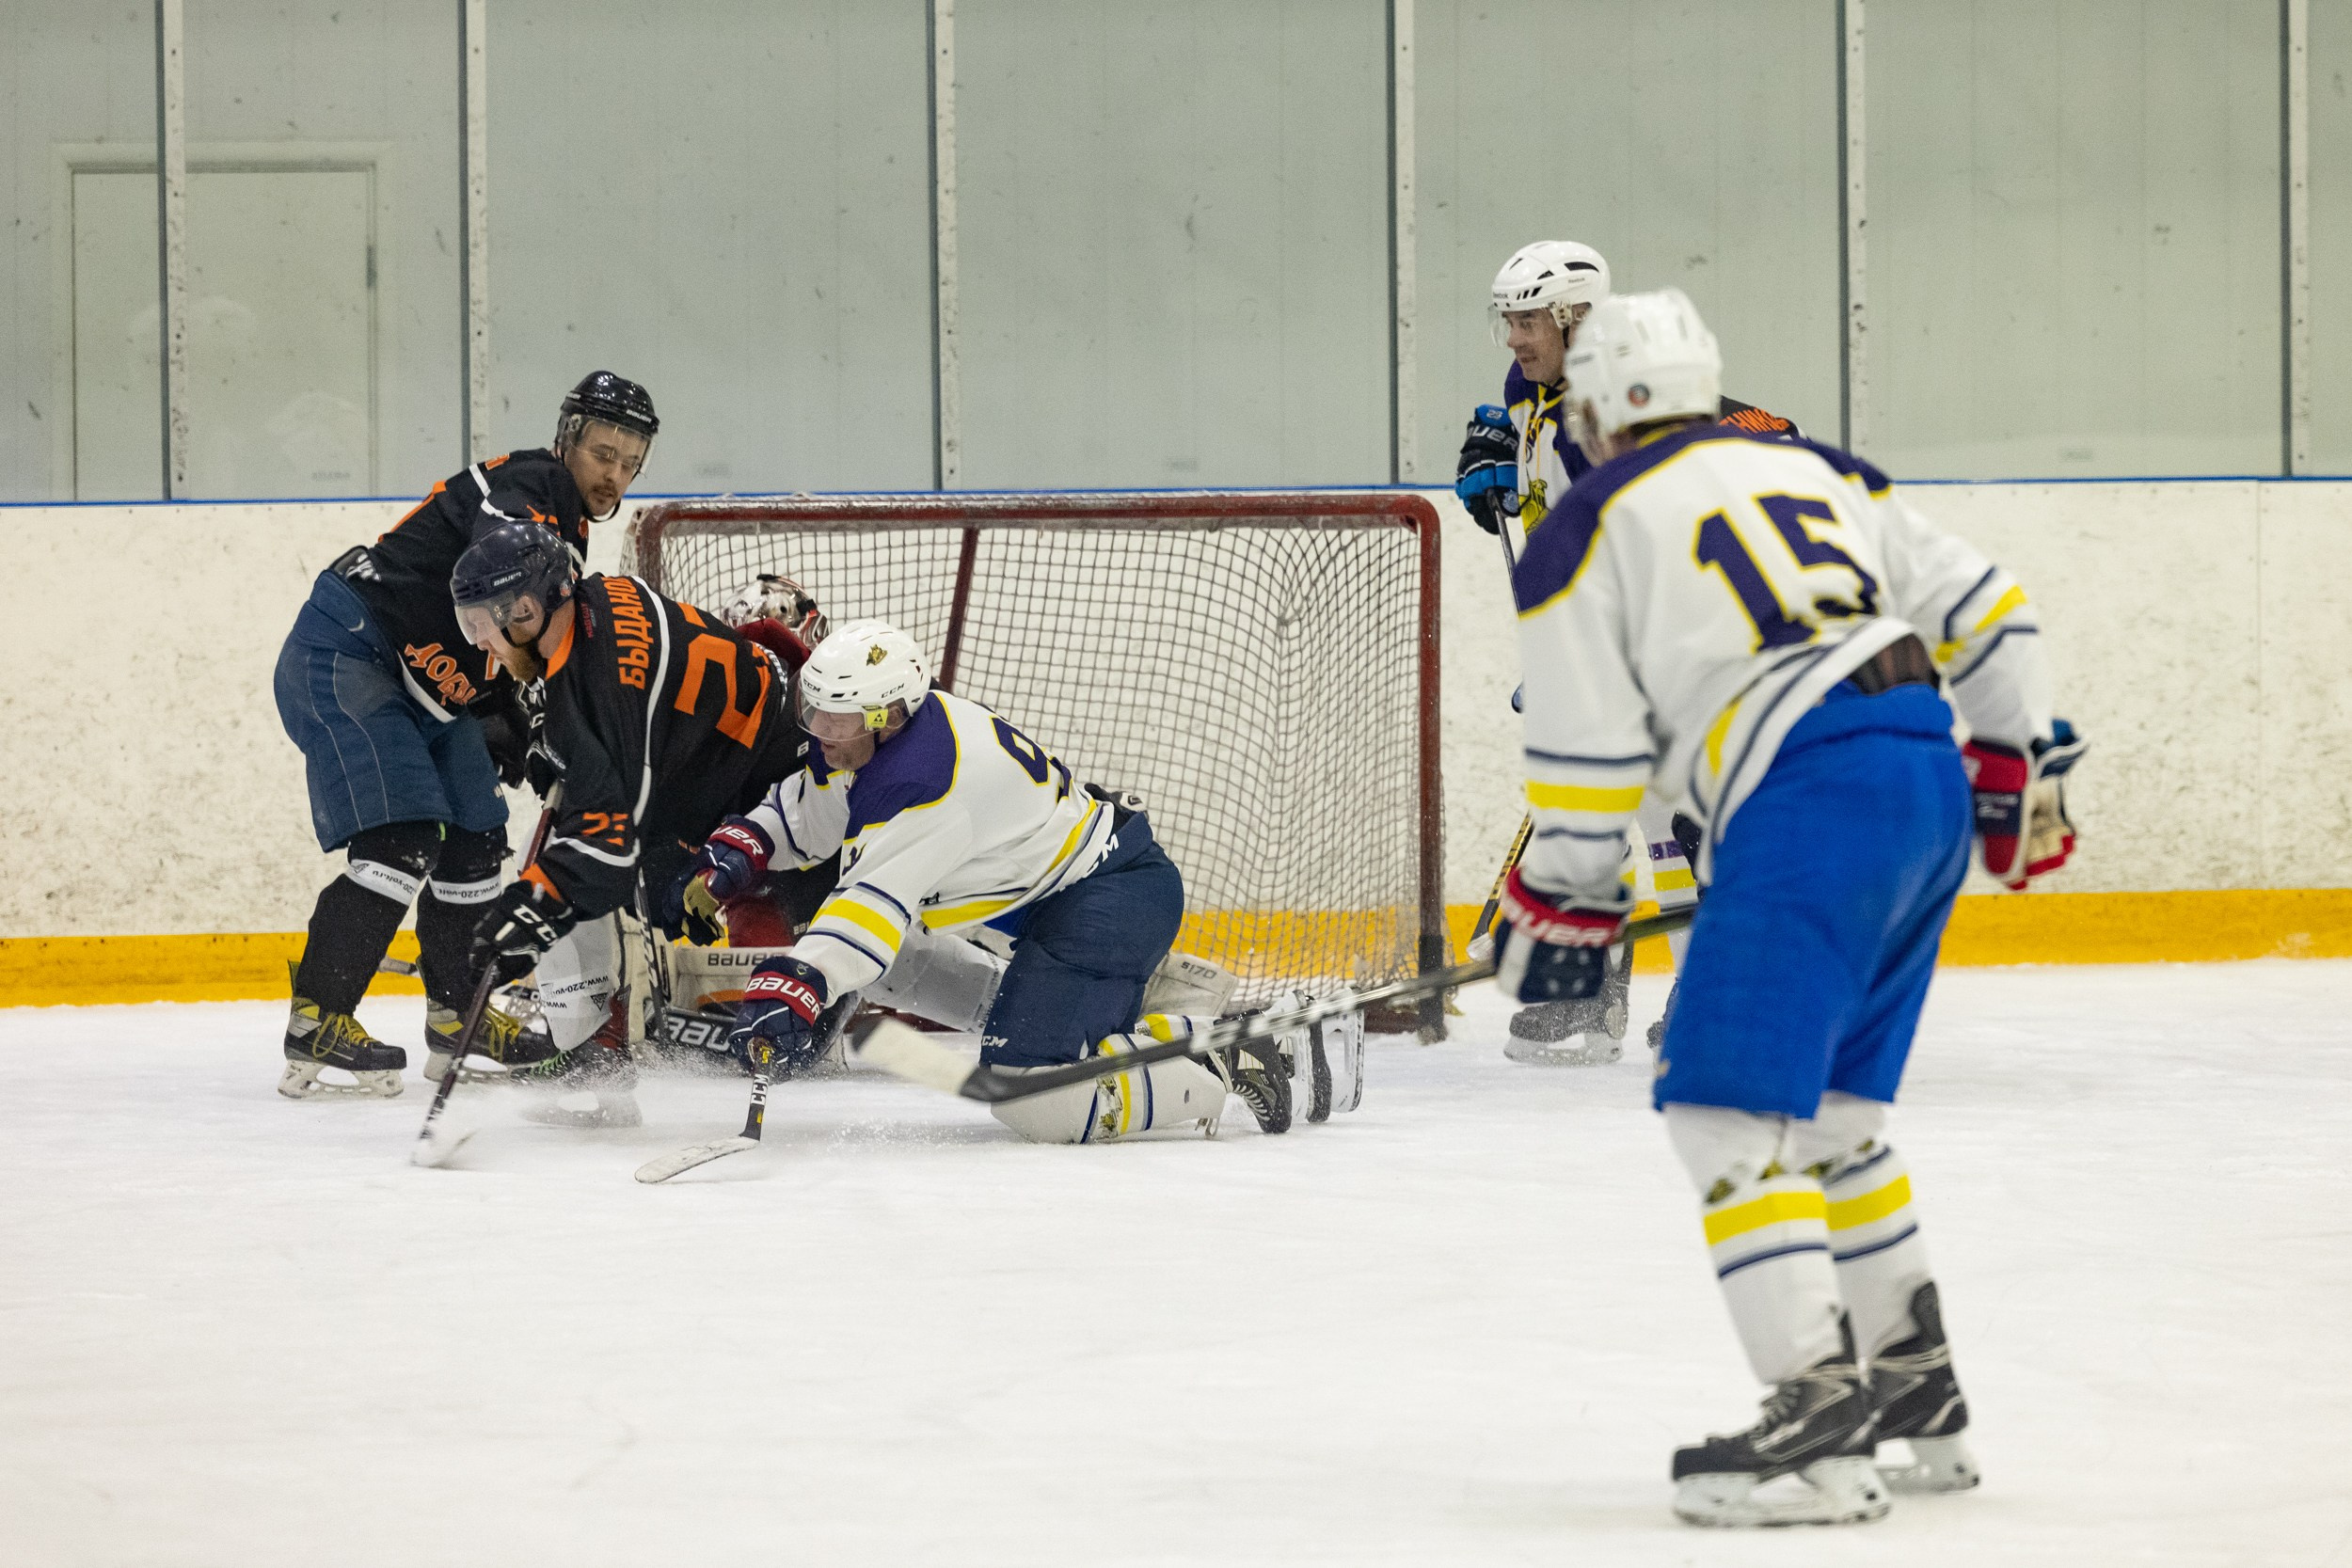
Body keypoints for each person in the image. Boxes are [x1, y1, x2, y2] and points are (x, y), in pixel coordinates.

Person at [1491, 289, 2082, 1527]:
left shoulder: (1586, 520)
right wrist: (2014, 764)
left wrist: (1561, 904)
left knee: (1719, 1110)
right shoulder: (1816, 470)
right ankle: (1916, 1394)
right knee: (1841, 1120)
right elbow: (1990, 609)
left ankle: (1817, 1429)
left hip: (1805, 791)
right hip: (1919, 767)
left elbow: (1588, 768)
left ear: (1596, 406)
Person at [704, 620, 1292, 1143]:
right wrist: (752, 843)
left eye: (839, 718)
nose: (820, 730)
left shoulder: (924, 784)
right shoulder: (882, 739)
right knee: (892, 967)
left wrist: (802, 980)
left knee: (1034, 1094)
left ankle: (1225, 1056)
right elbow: (816, 807)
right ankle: (1100, 1015)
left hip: (1108, 899)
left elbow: (867, 908)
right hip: (1051, 903)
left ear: (890, 717)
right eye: (815, 711)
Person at [270, 371, 656, 1099]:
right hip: (351, 649)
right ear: (570, 441)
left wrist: (512, 714)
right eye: (604, 453)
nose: (615, 475)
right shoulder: (529, 488)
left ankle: (460, 1018)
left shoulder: (567, 531)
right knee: (402, 836)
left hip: (433, 692)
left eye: (630, 463)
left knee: (477, 839)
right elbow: (503, 550)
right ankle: (318, 1016)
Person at [451, 529, 823, 1126]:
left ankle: (594, 1049)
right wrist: (547, 742)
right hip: (743, 773)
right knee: (574, 850)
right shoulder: (599, 603)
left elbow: (607, 845)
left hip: (785, 794)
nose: (487, 650)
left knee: (561, 857)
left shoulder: (604, 685)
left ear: (525, 608)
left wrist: (528, 909)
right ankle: (596, 1044)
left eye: (483, 628)